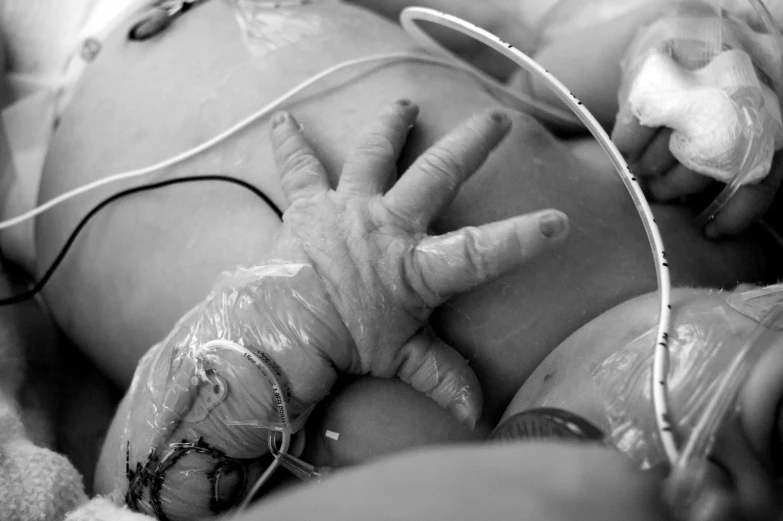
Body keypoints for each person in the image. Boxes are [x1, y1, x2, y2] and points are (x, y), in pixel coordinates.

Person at [0, 0, 779, 518]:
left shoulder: (403, 472)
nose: (716, 501)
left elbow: (130, 490)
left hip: (48, 152)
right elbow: (532, 77)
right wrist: (688, 60)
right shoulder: (711, 225)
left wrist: (281, 327)